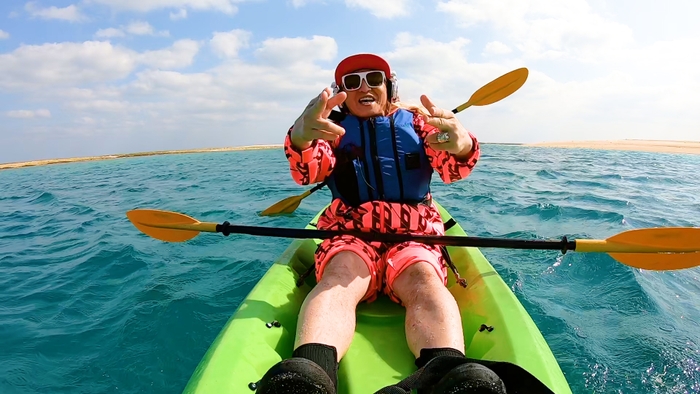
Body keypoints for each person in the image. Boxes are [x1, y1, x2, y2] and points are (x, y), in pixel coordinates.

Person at [255, 53, 506, 394]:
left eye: (374, 78)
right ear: (340, 91)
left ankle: (447, 372)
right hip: (351, 231)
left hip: (414, 232)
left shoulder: (419, 124)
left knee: (423, 277)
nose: (364, 87)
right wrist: (300, 139)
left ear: (389, 87)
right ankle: (309, 375)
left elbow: (452, 169)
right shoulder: (330, 131)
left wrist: (461, 145)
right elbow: (308, 172)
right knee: (339, 275)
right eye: (352, 82)